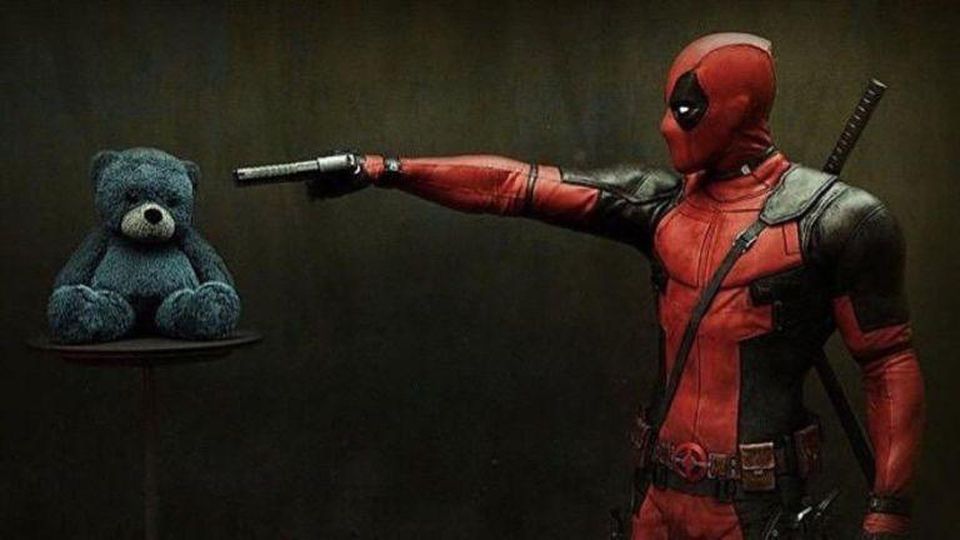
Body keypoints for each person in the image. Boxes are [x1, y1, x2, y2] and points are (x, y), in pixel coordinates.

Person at [269, 33, 924, 539]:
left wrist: (888, 506)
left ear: (739, 110)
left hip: (756, 511)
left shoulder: (837, 221)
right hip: (657, 499)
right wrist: (382, 168)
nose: (667, 126)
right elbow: (514, 185)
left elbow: (888, 364)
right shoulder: (662, 207)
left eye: (687, 109)